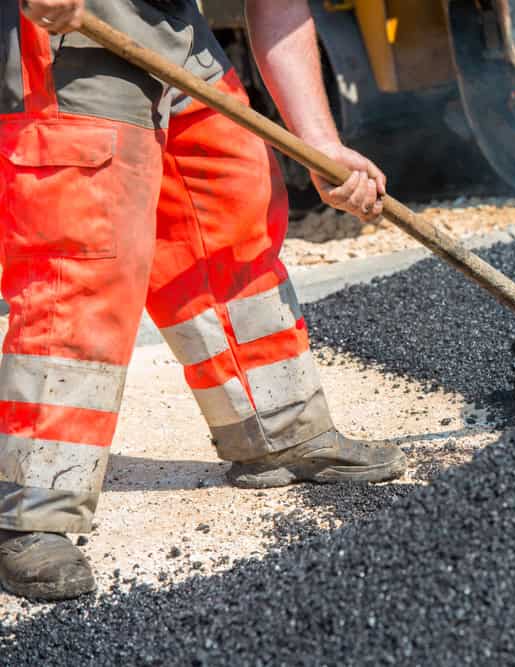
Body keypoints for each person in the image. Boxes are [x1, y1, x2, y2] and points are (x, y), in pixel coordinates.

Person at [0, 0, 407, 601]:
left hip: (174, 38)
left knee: (231, 208)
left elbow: (280, 6)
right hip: (65, 40)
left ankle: (279, 432)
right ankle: (33, 509)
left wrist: (318, 143)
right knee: (84, 257)